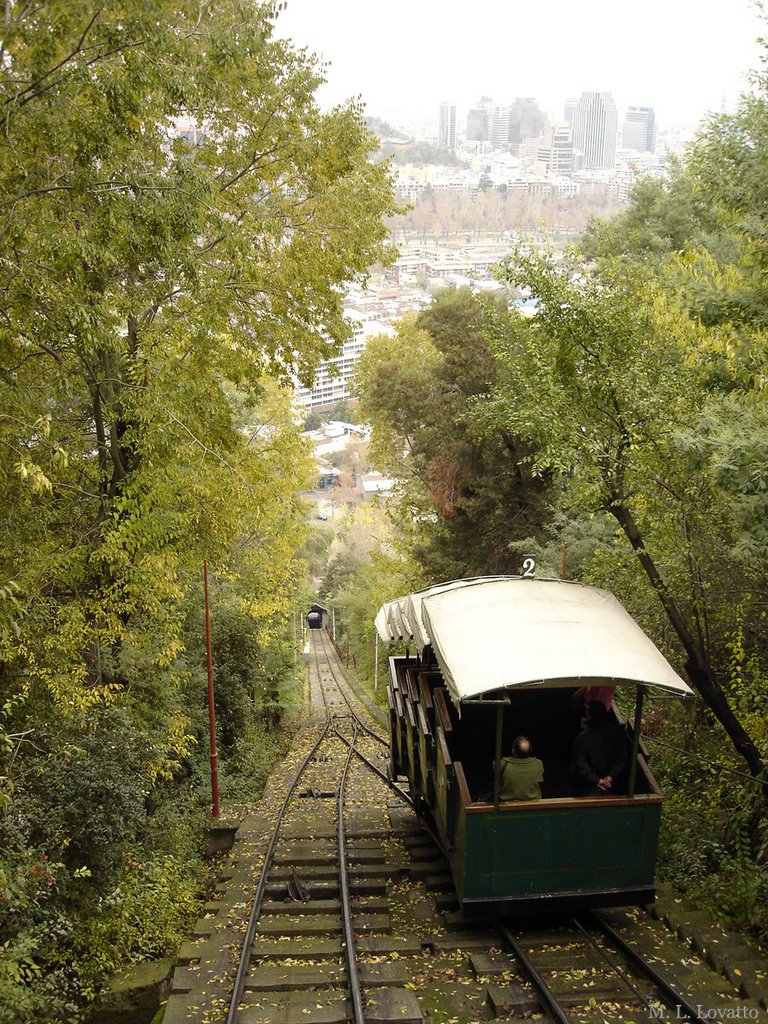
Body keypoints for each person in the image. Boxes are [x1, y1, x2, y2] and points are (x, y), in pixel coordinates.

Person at [571, 700, 629, 797]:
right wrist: (610, 777)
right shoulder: (617, 734)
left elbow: (579, 763)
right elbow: (622, 758)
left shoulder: (583, 737)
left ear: (590, 715)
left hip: (588, 788)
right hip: (612, 786)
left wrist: (597, 780)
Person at [499, 735, 544, 801]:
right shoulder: (538, 764)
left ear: (513, 750)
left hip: (507, 807)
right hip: (533, 806)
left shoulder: (501, 764)